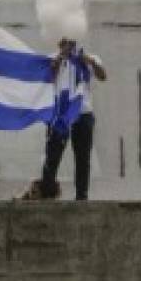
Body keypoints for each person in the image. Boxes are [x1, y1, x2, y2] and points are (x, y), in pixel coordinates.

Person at [40, 38, 106, 201]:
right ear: (59, 43)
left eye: (71, 43)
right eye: (65, 43)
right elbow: (47, 78)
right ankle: (48, 192)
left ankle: (81, 195)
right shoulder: (54, 58)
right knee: (53, 154)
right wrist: (59, 59)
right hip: (60, 113)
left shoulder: (88, 58)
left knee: (83, 157)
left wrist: (89, 61)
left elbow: (103, 76)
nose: (68, 46)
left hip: (83, 112)